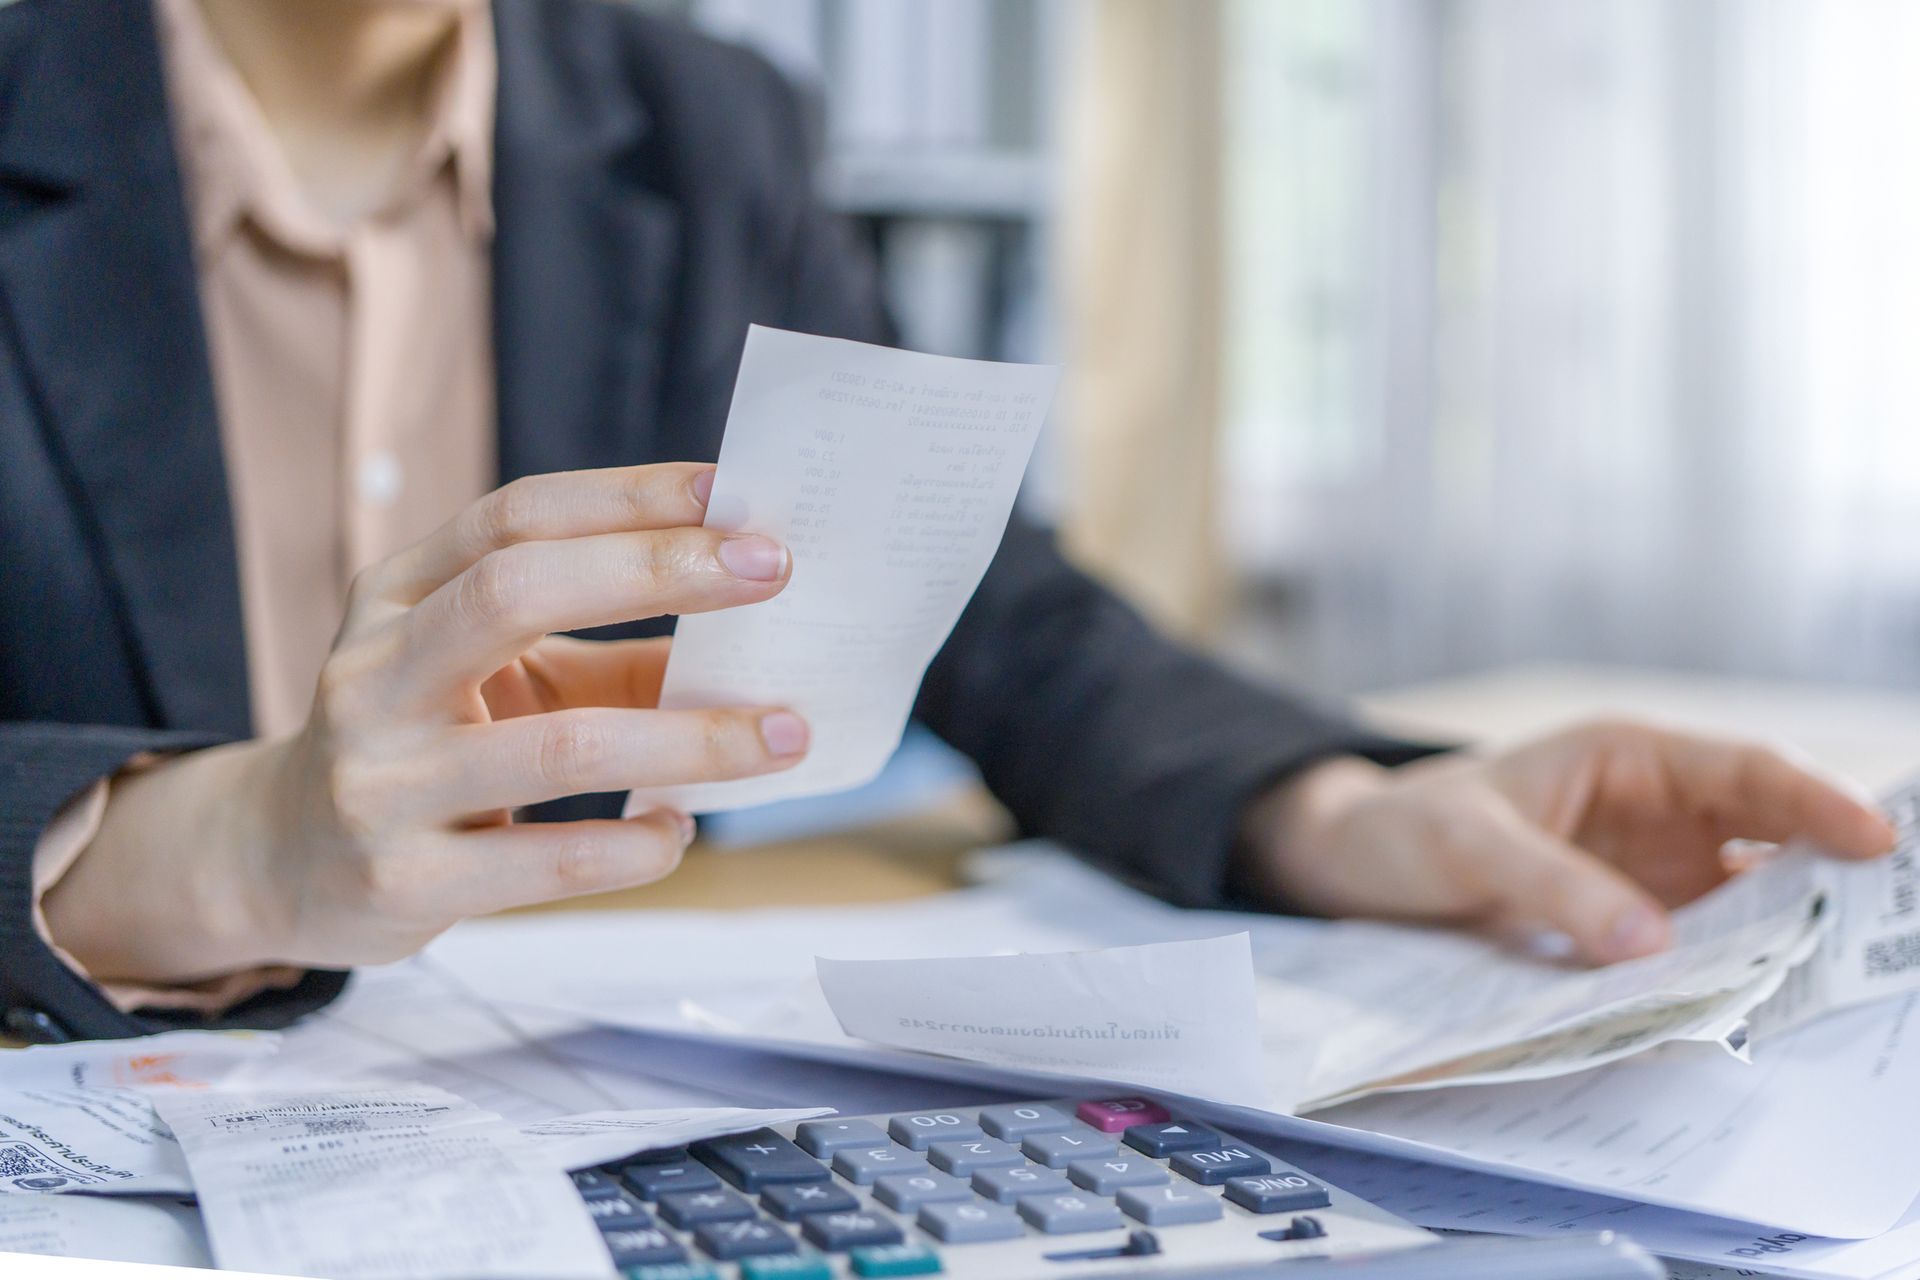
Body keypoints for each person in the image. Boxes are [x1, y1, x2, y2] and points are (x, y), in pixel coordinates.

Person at [0, 0, 1893, 1044]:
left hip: (513, 1109)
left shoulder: (699, 116)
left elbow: (987, 608)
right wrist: (224, 845)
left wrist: (1336, 807)